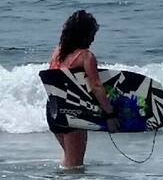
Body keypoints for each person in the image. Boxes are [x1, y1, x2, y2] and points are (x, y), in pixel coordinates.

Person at [47, 10, 118, 168]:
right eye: (92, 34)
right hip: (73, 113)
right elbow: (96, 87)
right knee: (75, 166)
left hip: (53, 112)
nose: (93, 39)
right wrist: (110, 114)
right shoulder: (86, 56)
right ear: (85, 34)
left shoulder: (57, 52)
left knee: (69, 159)